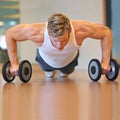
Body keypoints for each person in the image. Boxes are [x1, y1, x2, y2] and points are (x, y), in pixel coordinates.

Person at [5, 13, 112, 78]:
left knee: (66, 73)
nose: (59, 46)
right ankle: (49, 71)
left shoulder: (79, 30)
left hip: (70, 61)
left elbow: (106, 33)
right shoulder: (37, 32)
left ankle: (63, 72)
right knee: (48, 72)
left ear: (69, 32)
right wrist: (14, 64)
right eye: (55, 41)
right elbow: (10, 34)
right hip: (45, 61)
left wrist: (105, 62)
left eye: (64, 40)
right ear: (49, 33)